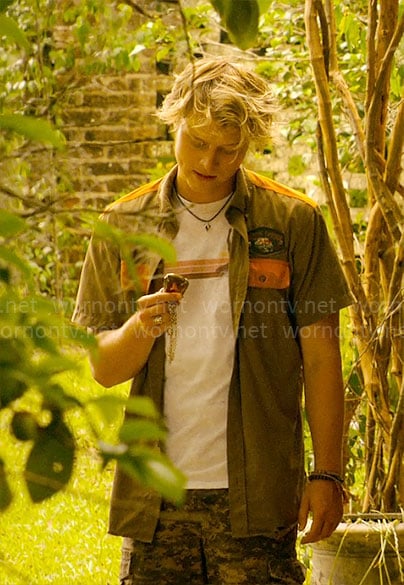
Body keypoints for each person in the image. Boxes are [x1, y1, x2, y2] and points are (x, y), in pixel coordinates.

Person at [73, 57, 353, 584]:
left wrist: (328, 473)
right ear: (173, 121)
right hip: (157, 494)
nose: (210, 159)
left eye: (229, 149)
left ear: (251, 144)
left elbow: (321, 357)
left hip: (259, 492)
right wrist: (140, 329)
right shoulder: (122, 224)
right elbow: (103, 370)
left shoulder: (293, 221)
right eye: (197, 141)